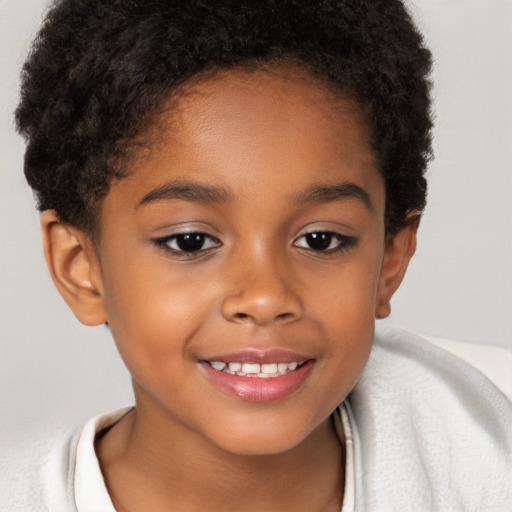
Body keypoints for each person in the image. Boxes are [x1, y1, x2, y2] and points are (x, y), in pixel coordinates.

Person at [1, 1, 510, 510]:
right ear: (80, 268)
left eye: (320, 240)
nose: (265, 297)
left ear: (391, 259)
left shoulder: (482, 443)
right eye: (190, 241)